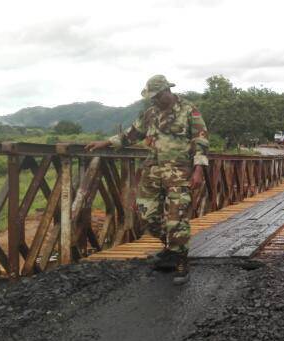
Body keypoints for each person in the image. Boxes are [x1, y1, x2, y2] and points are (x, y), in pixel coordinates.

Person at [85, 75, 209, 285]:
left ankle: (180, 261)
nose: (154, 100)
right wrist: (105, 142)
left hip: (179, 172)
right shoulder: (150, 113)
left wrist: (199, 170)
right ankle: (171, 248)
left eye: (157, 96)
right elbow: (131, 134)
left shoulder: (189, 110)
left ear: (166, 92)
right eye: (152, 97)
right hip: (153, 171)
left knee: (176, 218)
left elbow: (201, 140)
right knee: (145, 214)